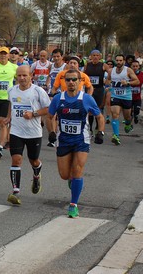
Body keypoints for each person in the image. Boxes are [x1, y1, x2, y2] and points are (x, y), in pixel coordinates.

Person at [47, 69, 105, 218]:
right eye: (68, 80)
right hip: (64, 140)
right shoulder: (58, 99)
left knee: (78, 169)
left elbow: (100, 117)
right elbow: (49, 117)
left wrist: (100, 132)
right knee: (65, 175)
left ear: (80, 82)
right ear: (64, 82)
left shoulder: (86, 99)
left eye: (74, 80)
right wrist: (52, 132)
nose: (71, 82)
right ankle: (72, 181)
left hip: (81, 140)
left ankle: (73, 204)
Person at [5, 65, 51, 205]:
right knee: (16, 160)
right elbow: (11, 105)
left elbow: (49, 109)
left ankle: (36, 175)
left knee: (33, 160)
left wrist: (34, 114)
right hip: (16, 131)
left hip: (33, 132)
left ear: (31, 75)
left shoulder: (38, 91)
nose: (22, 78)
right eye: (19, 76)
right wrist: (8, 117)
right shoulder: (12, 90)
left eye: (25, 75)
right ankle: (16, 192)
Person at [106, 54, 140, 145]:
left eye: (120, 60)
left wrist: (128, 82)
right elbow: (108, 80)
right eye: (117, 60)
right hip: (115, 96)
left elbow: (137, 81)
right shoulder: (111, 71)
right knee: (115, 114)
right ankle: (116, 136)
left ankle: (128, 124)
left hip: (126, 97)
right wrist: (108, 85)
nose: (118, 62)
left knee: (127, 117)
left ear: (124, 61)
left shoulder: (128, 70)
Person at [83, 49, 110, 139]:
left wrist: (107, 81)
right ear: (90, 56)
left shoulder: (103, 65)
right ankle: (90, 129)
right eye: (93, 55)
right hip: (89, 89)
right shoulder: (87, 65)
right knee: (90, 110)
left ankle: (98, 128)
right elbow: (83, 75)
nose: (95, 57)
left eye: (97, 55)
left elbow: (110, 73)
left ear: (100, 57)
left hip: (99, 89)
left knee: (98, 109)